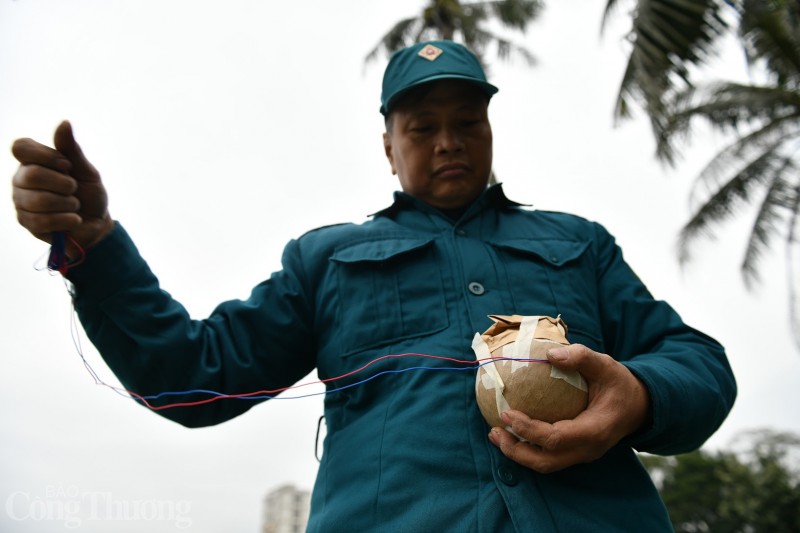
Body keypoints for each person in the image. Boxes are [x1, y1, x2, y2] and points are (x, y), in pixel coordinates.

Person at [11, 40, 736, 531]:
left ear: (489, 129)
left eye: (466, 121)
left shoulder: (579, 243)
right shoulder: (325, 258)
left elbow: (697, 361)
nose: (448, 141)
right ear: (388, 146)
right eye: (422, 127)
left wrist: (637, 395)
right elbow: (194, 378)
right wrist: (98, 245)